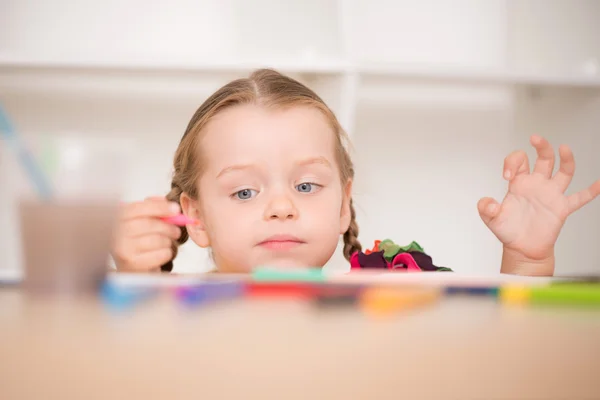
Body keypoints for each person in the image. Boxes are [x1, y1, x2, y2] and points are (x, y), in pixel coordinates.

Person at [111, 69, 600, 275]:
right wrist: (135, 277)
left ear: (344, 203)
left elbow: (503, 357)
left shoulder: (384, 297)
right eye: (243, 192)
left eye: (306, 186)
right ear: (192, 216)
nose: (282, 207)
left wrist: (527, 259)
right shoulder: (172, 307)